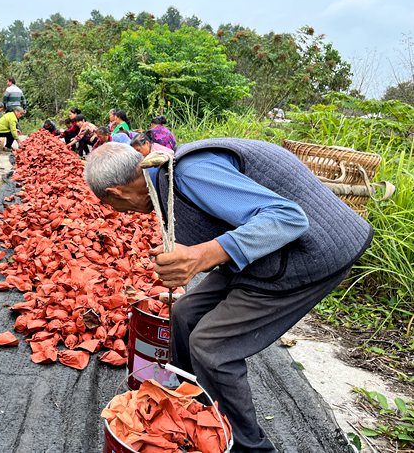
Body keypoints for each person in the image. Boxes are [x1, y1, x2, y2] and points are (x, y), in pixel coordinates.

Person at [84, 140, 373, 452]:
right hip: (271, 251)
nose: (121, 213)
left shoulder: (188, 174)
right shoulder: (164, 177)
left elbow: (288, 218)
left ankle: (250, 448)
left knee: (211, 346)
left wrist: (200, 256)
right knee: (183, 313)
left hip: (313, 252)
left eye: (111, 205)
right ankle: (191, 404)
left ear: (115, 193)